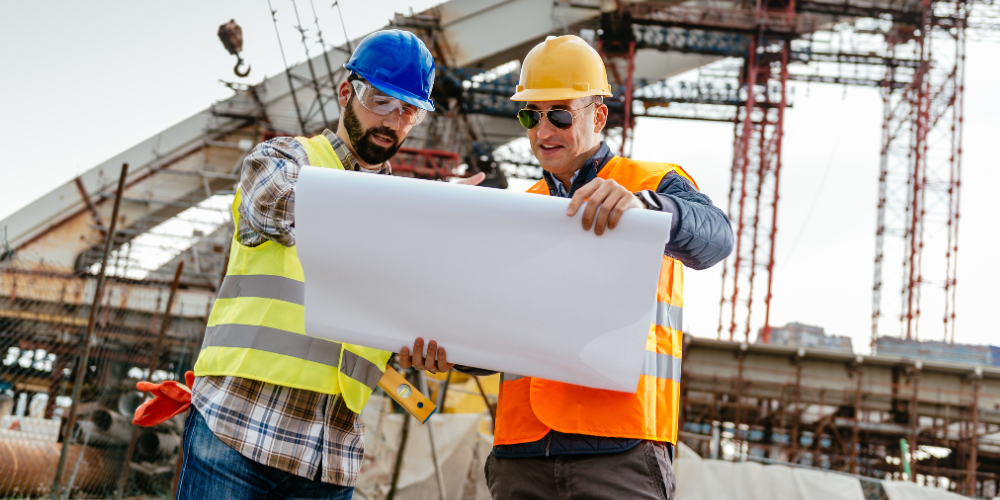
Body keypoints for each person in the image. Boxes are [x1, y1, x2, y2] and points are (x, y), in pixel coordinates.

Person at [399, 35, 734, 499]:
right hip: (521, 454)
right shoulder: (520, 211)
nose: (542, 132)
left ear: (598, 115)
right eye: (530, 116)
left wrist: (650, 209)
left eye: (559, 114)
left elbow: (716, 239)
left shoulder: (651, 185)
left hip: (618, 449)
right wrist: (447, 352)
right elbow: (498, 338)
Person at [177, 30, 478, 500]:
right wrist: (420, 212)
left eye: (408, 111)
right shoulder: (283, 158)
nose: (392, 121)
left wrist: (433, 348)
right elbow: (280, 207)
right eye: (380, 101)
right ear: (346, 93)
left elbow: (406, 319)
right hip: (238, 428)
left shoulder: (410, 217)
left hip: (329, 458)